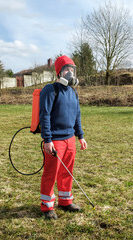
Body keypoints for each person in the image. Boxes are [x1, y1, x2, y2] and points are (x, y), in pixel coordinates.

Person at [39, 55, 87, 220]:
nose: (70, 72)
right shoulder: (50, 90)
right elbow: (44, 115)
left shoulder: (73, 93)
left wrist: (80, 136)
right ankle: (47, 206)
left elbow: (77, 116)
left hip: (70, 140)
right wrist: (47, 139)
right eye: (67, 69)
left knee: (68, 172)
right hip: (55, 141)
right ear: (59, 71)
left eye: (72, 69)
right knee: (51, 173)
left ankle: (66, 201)